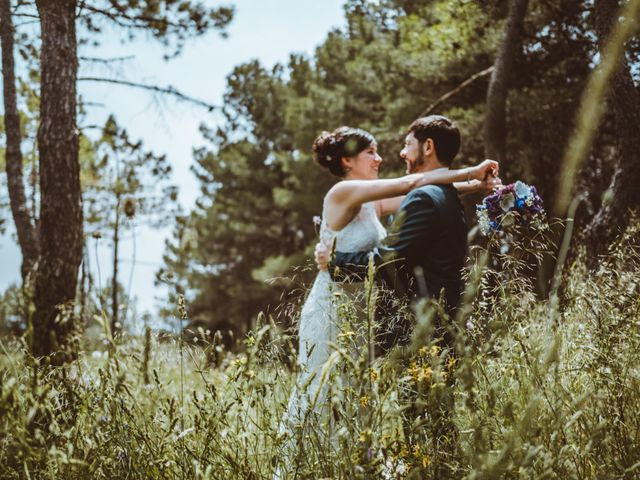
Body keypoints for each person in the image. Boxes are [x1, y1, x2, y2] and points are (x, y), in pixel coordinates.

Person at [274, 124, 498, 477]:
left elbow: (423, 190)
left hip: (360, 316)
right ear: (347, 160)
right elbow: (412, 183)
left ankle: (352, 469)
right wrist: (472, 169)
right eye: (371, 153)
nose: (380, 159)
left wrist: (475, 187)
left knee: (355, 397)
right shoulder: (342, 192)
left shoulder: (370, 202)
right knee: (324, 395)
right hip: (331, 309)